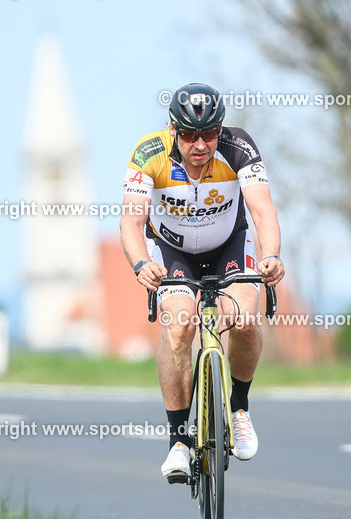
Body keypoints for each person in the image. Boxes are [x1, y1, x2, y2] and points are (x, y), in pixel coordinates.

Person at [119, 82, 285, 483]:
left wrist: (272, 256)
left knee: (244, 318)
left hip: (229, 241)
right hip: (172, 250)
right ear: (172, 129)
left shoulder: (239, 147)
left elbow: (263, 212)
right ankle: (179, 439)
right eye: (190, 135)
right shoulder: (149, 152)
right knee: (178, 327)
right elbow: (131, 220)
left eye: (209, 134)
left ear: (220, 130)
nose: (200, 144)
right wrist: (141, 263)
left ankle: (239, 409)